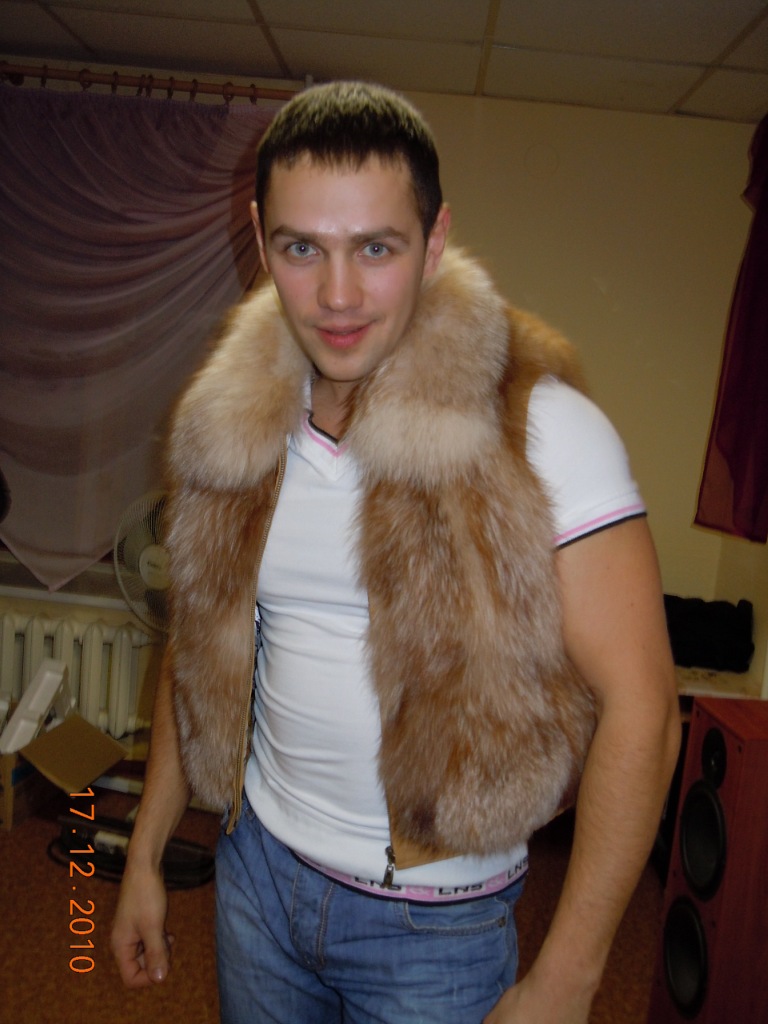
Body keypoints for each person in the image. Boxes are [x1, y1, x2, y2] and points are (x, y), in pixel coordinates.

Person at [111, 81, 680, 1023]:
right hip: (257, 880)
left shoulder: (540, 428)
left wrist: (569, 978)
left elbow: (644, 710)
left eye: (376, 248)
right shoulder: (232, 429)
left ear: (435, 239)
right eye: (302, 248)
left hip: (435, 928)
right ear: (260, 240)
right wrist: (144, 852)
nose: (337, 296)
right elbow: (200, 645)